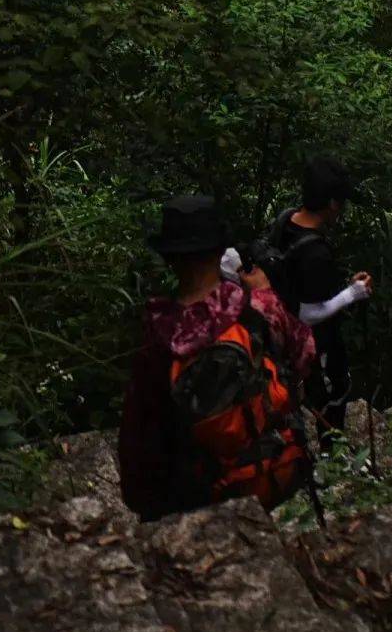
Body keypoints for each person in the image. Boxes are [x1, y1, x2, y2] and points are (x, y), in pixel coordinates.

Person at [118, 193, 314, 520]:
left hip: (202, 495)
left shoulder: (158, 340)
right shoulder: (257, 307)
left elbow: (141, 439)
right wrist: (266, 293)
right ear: (222, 252)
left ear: (170, 259)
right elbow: (305, 355)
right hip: (275, 473)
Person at [249, 154, 373, 448]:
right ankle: (332, 458)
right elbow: (309, 312)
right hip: (311, 339)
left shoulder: (286, 220)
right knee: (335, 391)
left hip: (279, 331)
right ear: (332, 203)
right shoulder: (316, 252)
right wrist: (353, 293)